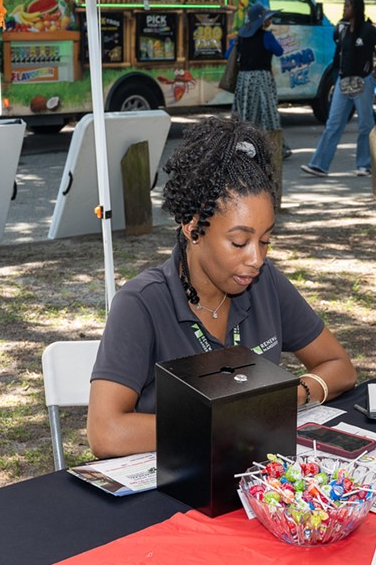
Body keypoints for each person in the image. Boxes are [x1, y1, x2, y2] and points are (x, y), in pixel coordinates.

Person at [87, 116, 356, 457]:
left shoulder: (264, 282)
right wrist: (227, 424)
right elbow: (105, 433)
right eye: (240, 241)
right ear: (193, 227)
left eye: (266, 240)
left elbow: (340, 366)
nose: (256, 258)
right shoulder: (142, 303)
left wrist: (295, 393)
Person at [301, 0, 376, 178]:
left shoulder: (369, 31)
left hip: (363, 81)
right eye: (344, 6)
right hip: (343, 81)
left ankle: (365, 165)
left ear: (356, 9)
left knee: (365, 124)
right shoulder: (341, 29)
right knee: (333, 123)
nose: (343, 9)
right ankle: (319, 165)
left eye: (347, 6)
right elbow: (340, 52)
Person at [228, 2, 290, 159]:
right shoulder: (267, 36)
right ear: (261, 21)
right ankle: (275, 148)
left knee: (245, 113)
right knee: (267, 113)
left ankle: (242, 147)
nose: (270, 21)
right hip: (261, 78)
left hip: (243, 79)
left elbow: (227, 54)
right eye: (267, 18)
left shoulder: (240, 37)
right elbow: (279, 51)